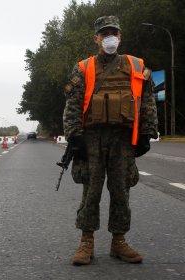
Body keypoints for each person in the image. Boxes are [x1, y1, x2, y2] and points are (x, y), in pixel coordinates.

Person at [63, 15, 158, 265]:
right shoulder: (83, 67)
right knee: (91, 191)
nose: (109, 38)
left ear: (120, 36)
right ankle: (86, 242)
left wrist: (147, 132)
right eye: (104, 34)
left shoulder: (136, 66)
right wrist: (74, 137)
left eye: (113, 32)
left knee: (121, 190)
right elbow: (72, 104)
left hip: (122, 139)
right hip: (92, 138)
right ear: (96, 38)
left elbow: (147, 98)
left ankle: (119, 242)